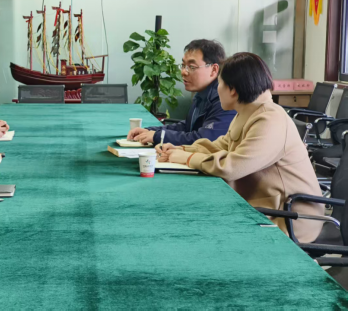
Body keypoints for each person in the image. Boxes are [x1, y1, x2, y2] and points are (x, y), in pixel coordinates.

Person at [157, 52, 323, 243]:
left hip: (288, 219)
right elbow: (220, 145)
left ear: (233, 90)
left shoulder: (270, 120)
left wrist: (187, 159)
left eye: (219, 84)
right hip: (264, 206)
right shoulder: (248, 112)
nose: (217, 89)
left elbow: (232, 167)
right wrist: (180, 150)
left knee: (196, 225)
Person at [128, 40, 236, 146]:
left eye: (192, 67)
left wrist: (159, 136)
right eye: (183, 65)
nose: (183, 72)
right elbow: (187, 127)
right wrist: (151, 131)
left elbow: (205, 140)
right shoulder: (201, 94)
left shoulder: (224, 98)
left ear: (214, 69)